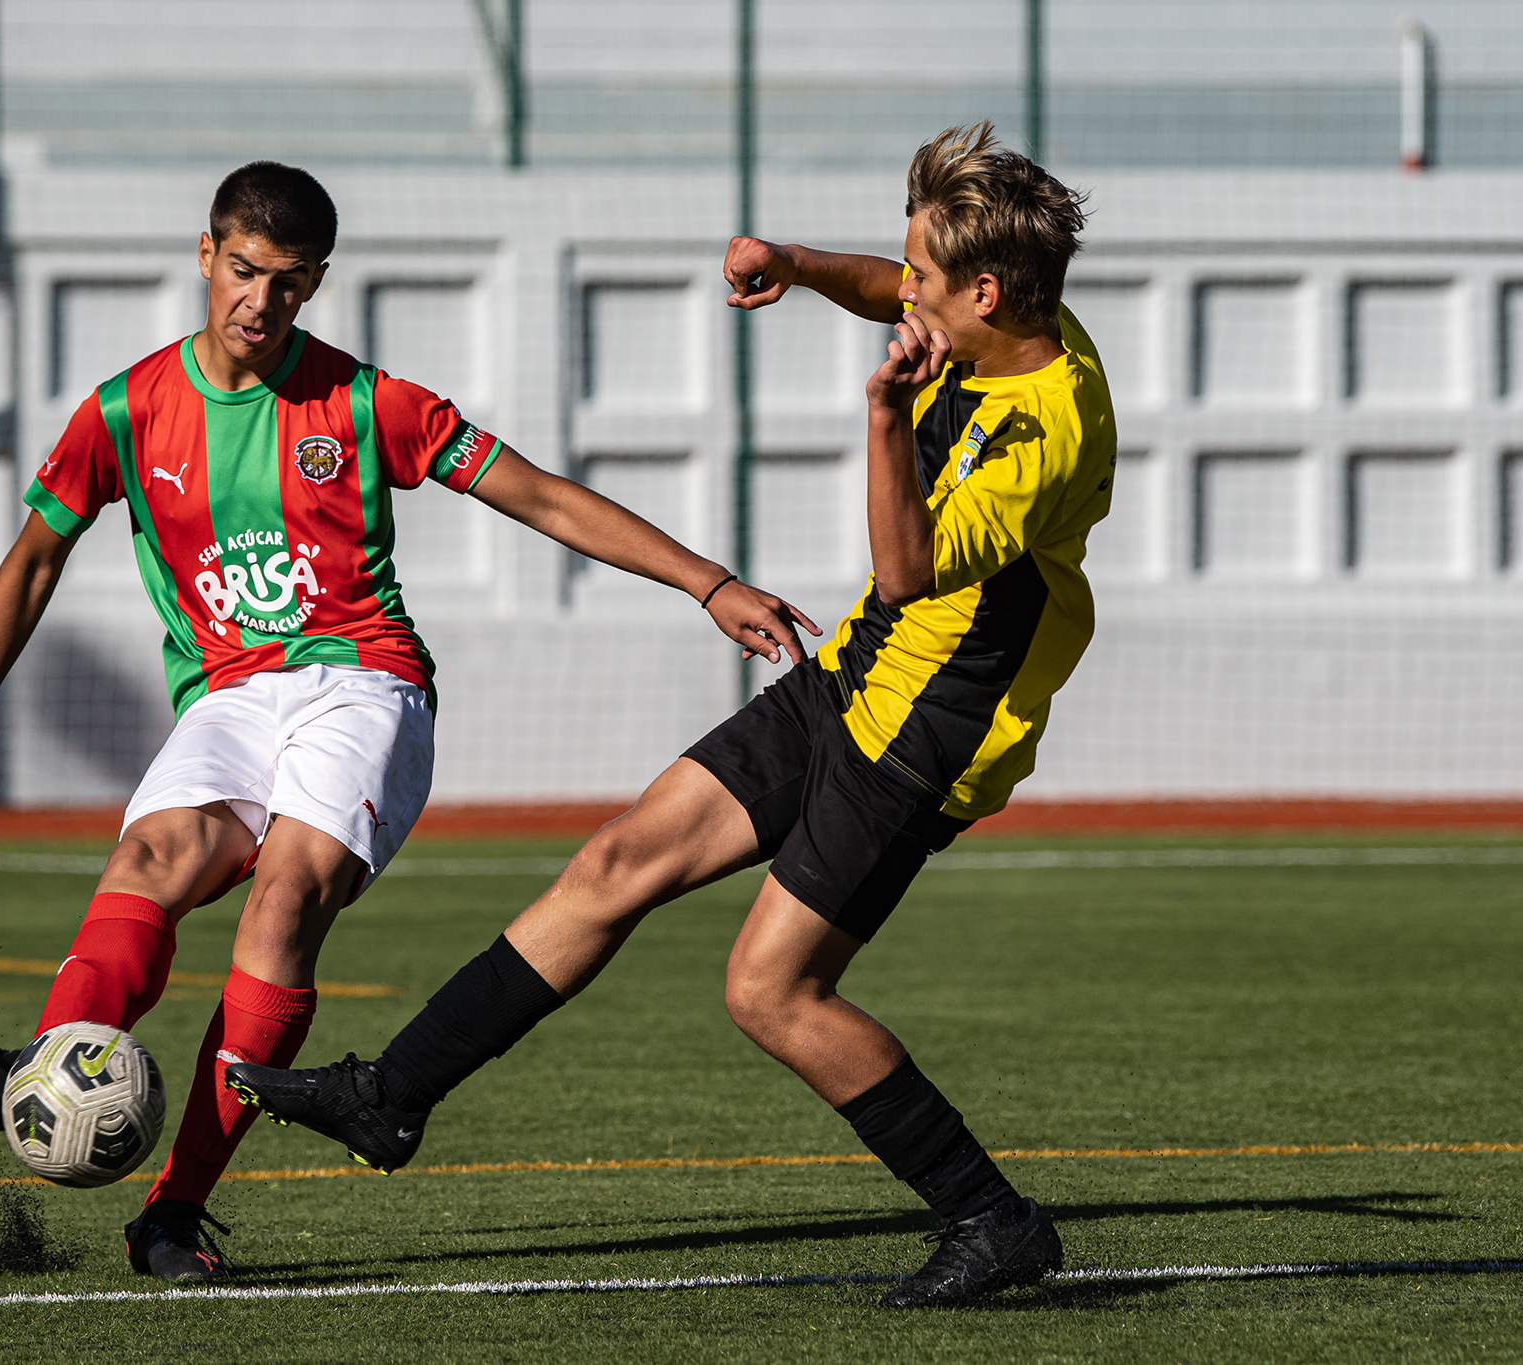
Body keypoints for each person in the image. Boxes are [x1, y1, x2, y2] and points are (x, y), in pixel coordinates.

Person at [225, 124, 1114, 1309]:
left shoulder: (1044, 434)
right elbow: (890, 295)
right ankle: (388, 1099)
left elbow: (904, 571)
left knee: (770, 991)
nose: (902, 296)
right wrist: (797, 263)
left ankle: (989, 1218)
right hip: (850, 678)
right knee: (616, 861)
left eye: (924, 283)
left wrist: (882, 416)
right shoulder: (995, 320)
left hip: (921, 737)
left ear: (988, 293)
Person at [0, 160, 815, 1283]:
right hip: (225, 696)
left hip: (363, 683)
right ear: (204, 254)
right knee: (148, 857)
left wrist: (705, 580)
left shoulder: (369, 404)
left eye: (285, 283)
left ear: (315, 284)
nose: (256, 303)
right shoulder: (127, 409)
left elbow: (540, 494)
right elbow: (34, 559)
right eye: (240, 272)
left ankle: (172, 1214)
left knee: (283, 897)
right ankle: (49, 1058)